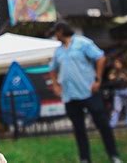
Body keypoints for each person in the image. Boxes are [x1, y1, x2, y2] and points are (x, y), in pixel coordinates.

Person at [49, 21, 122, 163]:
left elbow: (101, 57)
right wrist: (55, 85)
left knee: (103, 125)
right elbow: (52, 69)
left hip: (88, 91)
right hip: (70, 96)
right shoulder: (58, 51)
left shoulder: (82, 43)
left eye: (55, 32)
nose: (54, 35)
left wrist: (98, 79)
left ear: (61, 30)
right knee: (79, 129)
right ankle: (85, 159)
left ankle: (114, 156)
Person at [108, 58, 127, 129]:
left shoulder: (125, 71)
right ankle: (112, 125)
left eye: (118, 63)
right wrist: (114, 77)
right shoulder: (113, 71)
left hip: (126, 90)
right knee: (117, 108)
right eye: (115, 63)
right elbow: (110, 78)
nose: (117, 64)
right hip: (118, 91)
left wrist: (125, 77)